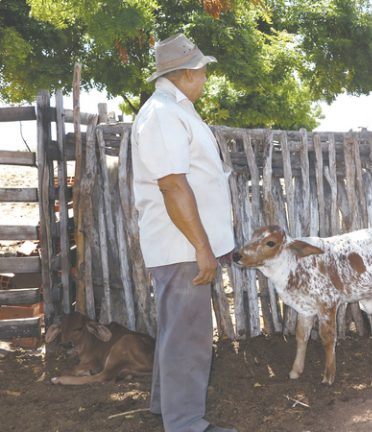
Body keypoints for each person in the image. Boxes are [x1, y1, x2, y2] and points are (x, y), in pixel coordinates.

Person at [131, 33, 237, 432]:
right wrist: (202, 247)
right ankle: (187, 424)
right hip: (182, 245)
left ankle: (167, 408)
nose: (206, 76)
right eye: (202, 69)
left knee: (177, 330)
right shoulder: (163, 114)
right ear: (187, 73)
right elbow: (173, 184)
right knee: (189, 337)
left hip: (183, 244)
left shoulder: (174, 110)